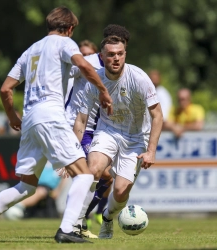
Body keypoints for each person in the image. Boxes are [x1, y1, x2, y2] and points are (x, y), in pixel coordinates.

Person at [0, 6, 112, 243]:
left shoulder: (30, 51)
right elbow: (85, 67)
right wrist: (103, 90)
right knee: (85, 175)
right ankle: (67, 229)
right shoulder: (65, 43)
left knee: (26, 187)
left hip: (30, 120)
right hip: (51, 116)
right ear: (68, 29)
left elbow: (5, 88)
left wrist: (13, 117)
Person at [73, 35, 163, 239]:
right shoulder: (94, 81)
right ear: (102, 57)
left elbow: (157, 115)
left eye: (120, 54)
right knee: (93, 168)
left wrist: (151, 151)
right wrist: (72, 150)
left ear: (125, 55)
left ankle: (106, 218)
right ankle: (76, 223)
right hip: (107, 131)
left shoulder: (139, 78)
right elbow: (81, 119)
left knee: (121, 192)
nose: (116, 58)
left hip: (136, 137)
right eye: (111, 54)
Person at [64, 24, 131, 239]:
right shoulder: (89, 63)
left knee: (108, 178)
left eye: (121, 50)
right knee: (90, 174)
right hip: (78, 124)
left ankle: (80, 220)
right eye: (112, 50)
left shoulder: (123, 70)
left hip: (99, 129)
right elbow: (63, 74)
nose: (117, 55)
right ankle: (73, 223)